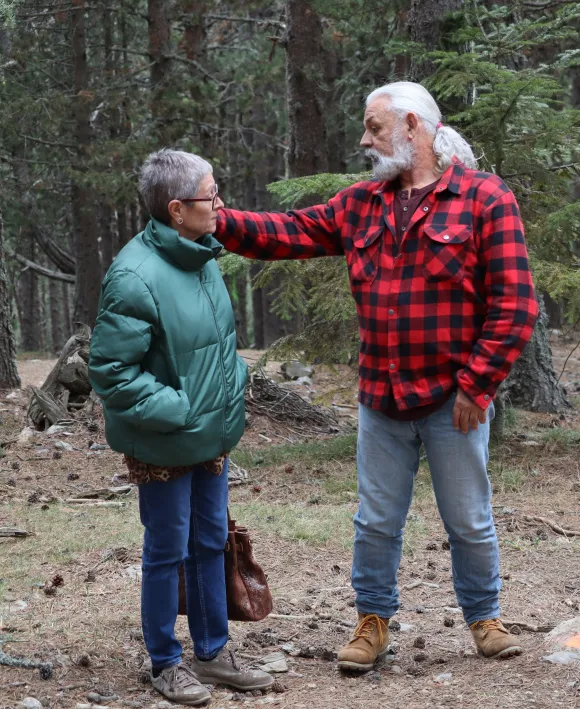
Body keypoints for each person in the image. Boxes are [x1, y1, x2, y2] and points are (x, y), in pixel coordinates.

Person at [214, 81, 537, 672]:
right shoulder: (361, 203)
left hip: (452, 400)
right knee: (375, 520)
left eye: (374, 126)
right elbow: (288, 232)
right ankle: (372, 622)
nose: (365, 139)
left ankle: (484, 618)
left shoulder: (485, 198)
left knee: (468, 519)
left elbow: (515, 305)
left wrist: (477, 384)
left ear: (413, 126)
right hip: (381, 399)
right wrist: (218, 221)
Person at [88, 150, 274, 706]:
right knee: (167, 549)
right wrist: (182, 408)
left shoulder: (201, 256)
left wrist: (232, 381)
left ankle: (213, 654)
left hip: (209, 437)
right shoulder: (132, 276)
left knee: (211, 541)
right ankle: (165, 661)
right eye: (209, 196)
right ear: (176, 209)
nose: (219, 205)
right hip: (165, 439)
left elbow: (214, 345)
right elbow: (111, 372)